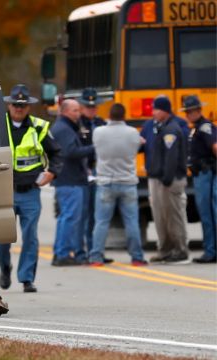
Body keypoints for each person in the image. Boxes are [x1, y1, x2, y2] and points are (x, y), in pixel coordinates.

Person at [0, 84, 63, 293]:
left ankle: (27, 278)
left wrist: (52, 173)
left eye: (22, 105)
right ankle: (5, 267)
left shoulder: (39, 127)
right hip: (4, 189)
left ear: (28, 107)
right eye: (15, 104)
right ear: (9, 105)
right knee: (1, 235)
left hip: (30, 191)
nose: (18, 108)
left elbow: (56, 153)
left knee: (30, 236)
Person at [89, 103, 147, 266]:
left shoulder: (98, 132)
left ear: (109, 115)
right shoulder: (133, 133)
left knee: (101, 222)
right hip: (127, 182)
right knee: (131, 221)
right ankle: (137, 257)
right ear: (124, 115)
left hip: (106, 182)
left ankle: (96, 257)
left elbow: (95, 148)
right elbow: (141, 144)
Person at [143, 97, 189, 264]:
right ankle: (166, 250)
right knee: (162, 217)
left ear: (165, 111)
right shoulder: (160, 127)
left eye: (156, 110)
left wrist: (167, 179)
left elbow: (171, 157)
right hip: (158, 178)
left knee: (174, 216)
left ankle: (180, 250)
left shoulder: (171, 130)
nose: (153, 113)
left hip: (169, 180)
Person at [50, 99, 94, 266]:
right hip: (69, 180)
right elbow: (70, 152)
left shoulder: (66, 127)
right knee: (69, 217)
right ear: (65, 111)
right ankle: (62, 254)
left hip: (68, 179)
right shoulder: (63, 129)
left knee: (66, 217)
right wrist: (94, 147)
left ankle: (61, 252)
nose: (78, 113)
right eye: (75, 110)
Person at [77, 88, 111, 263]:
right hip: (84, 170)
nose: (91, 109)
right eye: (88, 106)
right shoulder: (77, 124)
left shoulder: (101, 123)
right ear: (82, 106)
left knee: (97, 214)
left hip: (101, 170)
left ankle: (96, 250)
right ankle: (81, 252)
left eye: (94, 106)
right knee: (84, 214)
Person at [182, 95, 217, 264]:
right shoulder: (197, 128)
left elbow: (215, 146)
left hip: (205, 174)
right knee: (207, 213)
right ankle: (210, 250)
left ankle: (210, 252)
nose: (188, 114)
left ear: (198, 111)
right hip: (200, 174)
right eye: (187, 111)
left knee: (207, 213)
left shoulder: (204, 127)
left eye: (191, 111)